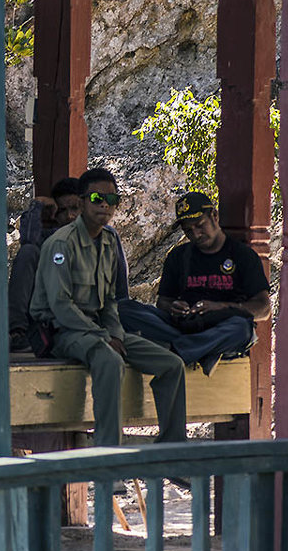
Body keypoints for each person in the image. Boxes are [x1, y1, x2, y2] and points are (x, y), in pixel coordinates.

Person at [30, 167, 187, 447]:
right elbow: (61, 305)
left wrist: (113, 332)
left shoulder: (108, 243)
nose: (105, 205)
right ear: (81, 202)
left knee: (171, 364)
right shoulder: (61, 244)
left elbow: (111, 301)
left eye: (112, 200)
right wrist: (104, 337)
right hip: (64, 331)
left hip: (100, 329)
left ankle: (173, 446)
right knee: (110, 360)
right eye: (97, 198)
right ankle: (108, 450)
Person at [119, 192, 270, 376]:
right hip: (184, 328)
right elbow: (163, 302)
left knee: (242, 329)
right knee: (123, 308)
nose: (196, 234)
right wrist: (175, 307)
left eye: (200, 225)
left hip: (222, 328)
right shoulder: (178, 256)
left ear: (214, 216)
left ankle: (177, 351)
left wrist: (220, 307)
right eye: (188, 230)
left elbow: (263, 309)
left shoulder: (243, 256)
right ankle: (201, 351)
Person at [8, 177, 87, 351]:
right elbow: (28, 241)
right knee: (29, 252)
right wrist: (37, 205)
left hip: (82, 317)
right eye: (62, 210)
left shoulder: (97, 236)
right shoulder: (51, 237)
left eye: (75, 209)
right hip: (45, 317)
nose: (70, 216)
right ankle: (17, 333)